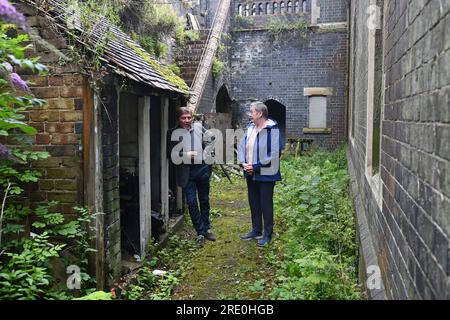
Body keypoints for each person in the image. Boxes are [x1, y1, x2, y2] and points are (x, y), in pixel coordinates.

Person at [167, 107, 216, 247]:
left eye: (189, 117)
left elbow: (212, 140)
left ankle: (207, 229)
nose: (187, 120)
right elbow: (170, 154)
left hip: (202, 170)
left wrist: (205, 153)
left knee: (204, 200)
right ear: (178, 119)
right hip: (186, 174)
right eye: (184, 118)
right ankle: (200, 232)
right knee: (193, 203)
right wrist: (186, 155)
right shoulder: (172, 133)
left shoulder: (199, 128)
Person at [238, 101, 284, 247]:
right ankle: (256, 230)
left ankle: (267, 234)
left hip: (266, 174)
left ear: (259, 113)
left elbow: (275, 154)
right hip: (250, 172)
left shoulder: (272, 129)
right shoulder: (250, 127)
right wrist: (242, 162)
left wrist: (256, 166)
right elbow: (241, 146)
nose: (250, 114)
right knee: (254, 202)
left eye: (251, 112)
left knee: (265, 204)